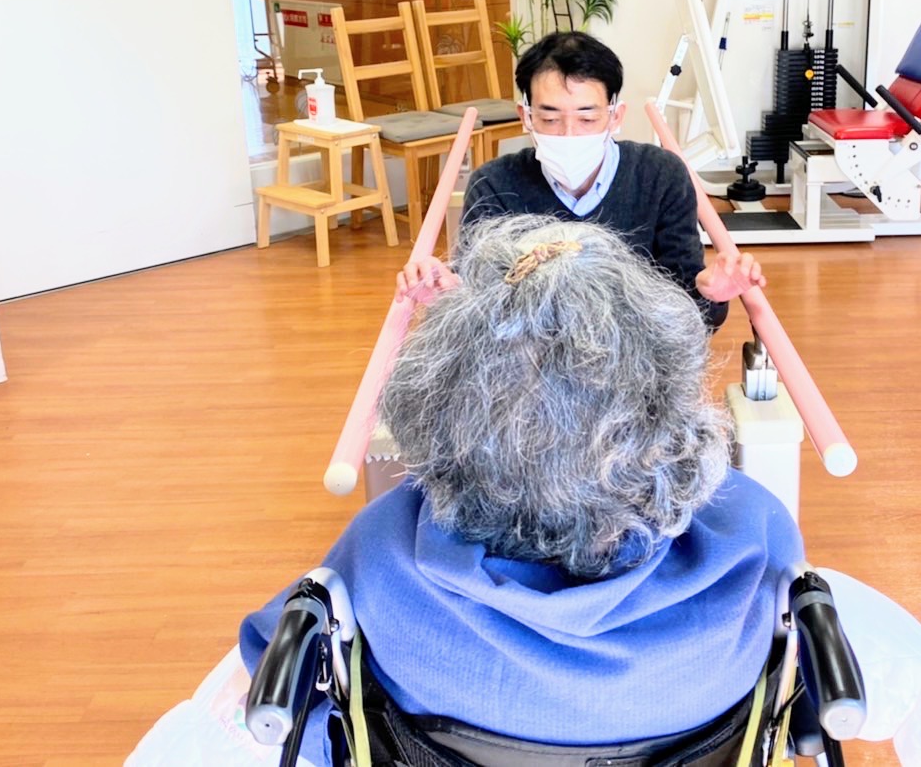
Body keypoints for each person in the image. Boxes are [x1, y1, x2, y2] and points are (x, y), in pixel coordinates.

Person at [240, 216, 802, 755]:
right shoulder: (753, 527)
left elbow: (283, 669)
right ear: (667, 405)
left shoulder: (381, 545)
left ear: (442, 411)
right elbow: (801, 687)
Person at [395, 32, 763, 329]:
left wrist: (711, 293)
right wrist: (446, 293)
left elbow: (691, 316)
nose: (569, 134)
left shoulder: (661, 176)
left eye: (587, 118)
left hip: (634, 365)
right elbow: (478, 299)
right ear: (525, 116)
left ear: (615, 116)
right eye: (550, 118)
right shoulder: (494, 184)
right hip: (528, 367)